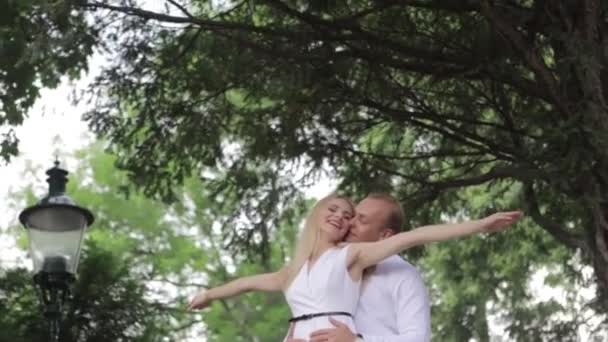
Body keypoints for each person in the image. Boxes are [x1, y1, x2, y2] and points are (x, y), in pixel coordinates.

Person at [188, 193, 522, 341]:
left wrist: (479, 225)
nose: (344, 222)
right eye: (336, 211)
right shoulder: (295, 270)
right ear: (317, 214)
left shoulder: (359, 260)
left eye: (352, 218)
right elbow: (246, 283)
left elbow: (416, 237)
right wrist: (208, 294)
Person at [305, 193, 431, 342]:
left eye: (362, 220)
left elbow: (418, 339)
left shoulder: (404, 275)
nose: (350, 223)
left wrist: (356, 341)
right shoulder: (332, 266)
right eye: (353, 216)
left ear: (384, 235)